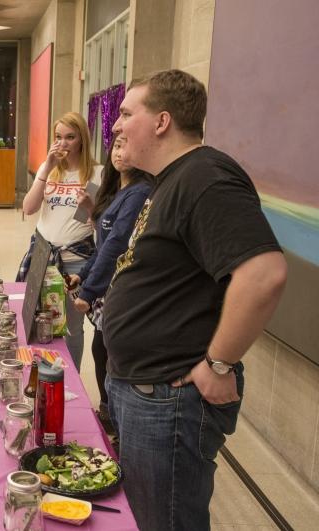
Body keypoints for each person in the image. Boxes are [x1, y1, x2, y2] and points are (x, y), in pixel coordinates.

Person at [104, 69, 287, 531]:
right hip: (142, 388)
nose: (116, 125)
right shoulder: (168, 180)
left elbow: (263, 273)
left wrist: (219, 364)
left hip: (168, 399)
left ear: (162, 121)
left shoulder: (205, 176)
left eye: (127, 113)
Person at [66, 135, 152, 435]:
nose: (120, 153)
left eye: (127, 146)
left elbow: (116, 244)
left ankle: (115, 422)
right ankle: (108, 414)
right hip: (105, 284)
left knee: (106, 350)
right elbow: (102, 243)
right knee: (100, 348)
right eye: (116, 146)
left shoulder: (140, 192)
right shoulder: (117, 189)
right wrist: (85, 273)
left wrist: (89, 291)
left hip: (120, 288)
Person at [19, 112, 102, 369]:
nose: (63, 143)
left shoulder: (96, 172)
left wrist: (90, 206)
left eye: (70, 137)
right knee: (35, 317)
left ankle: (70, 380)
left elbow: (96, 222)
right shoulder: (49, 170)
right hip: (43, 253)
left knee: (71, 327)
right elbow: (28, 208)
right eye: (58, 137)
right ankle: (39, 372)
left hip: (76, 259)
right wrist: (47, 167)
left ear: (82, 140)